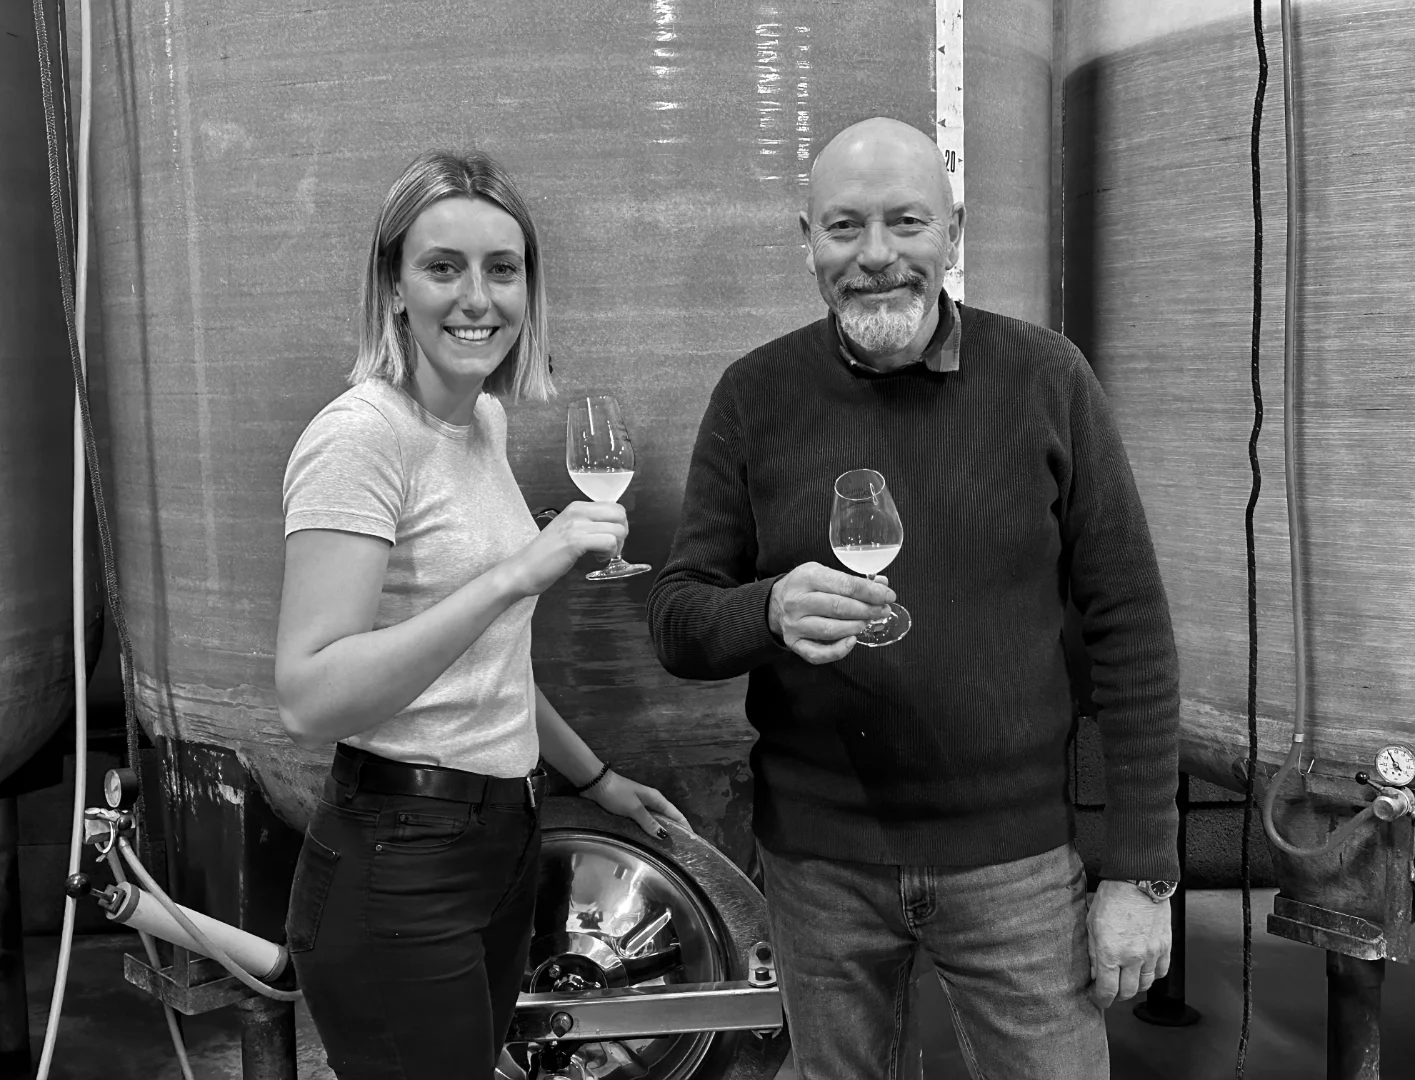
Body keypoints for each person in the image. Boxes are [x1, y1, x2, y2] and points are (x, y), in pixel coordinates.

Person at [646, 117, 1180, 1079]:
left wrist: (1143, 870)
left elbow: (1132, 628)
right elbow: (679, 620)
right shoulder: (753, 396)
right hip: (819, 869)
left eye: (906, 223)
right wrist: (765, 610)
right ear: (805, 239)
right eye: (845, 227)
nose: (877, 256)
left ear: (954, 232)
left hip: (1016, 865)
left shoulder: (1046, 379)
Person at [274, 148, 687, 1079]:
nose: (477, 298)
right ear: (393, 286)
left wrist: (597, 777)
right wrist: (515, 576)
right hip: (401, 862)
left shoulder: (479, 424)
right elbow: (309, 695)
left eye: (503, 270)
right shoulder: (361, 439)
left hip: (499, 841)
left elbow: (482, 666)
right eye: (442, 266)